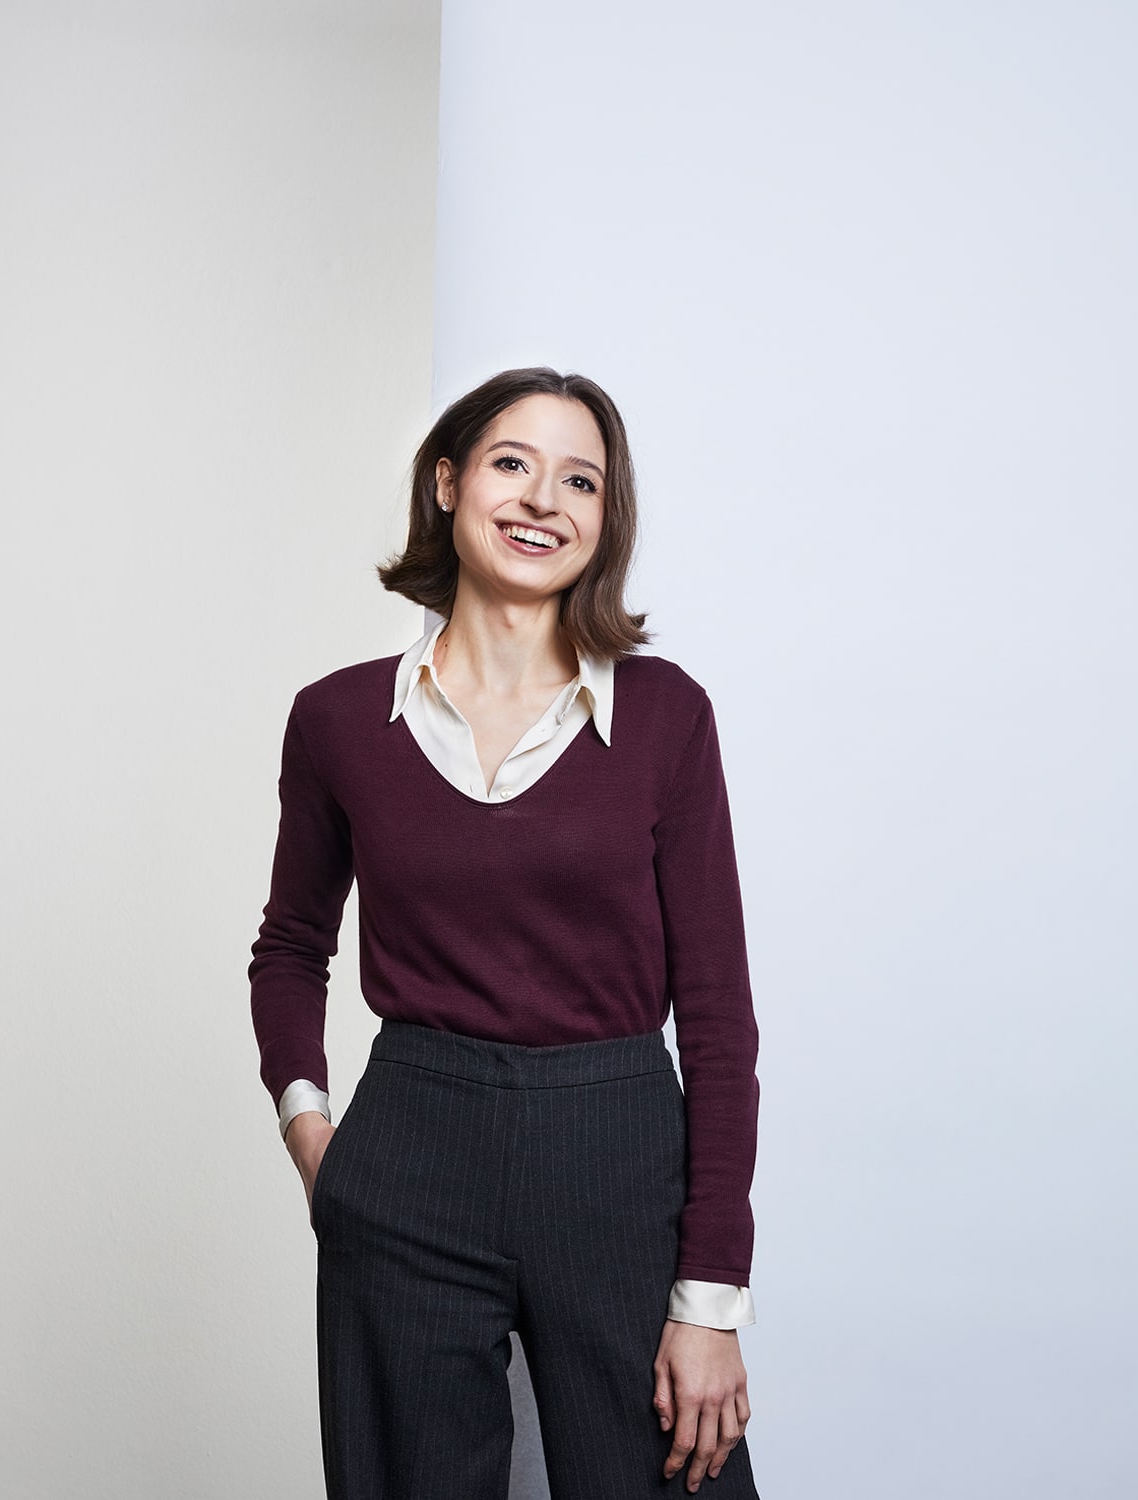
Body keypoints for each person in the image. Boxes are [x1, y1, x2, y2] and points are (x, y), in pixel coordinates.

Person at [248, 367, 762, 1499]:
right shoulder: (338, 720)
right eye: (512, 464)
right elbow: (290, 945)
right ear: (448, 483)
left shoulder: (665, 715)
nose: (542, 501)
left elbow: (719, 1017)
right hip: (412, 1153)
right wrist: (312, 1134)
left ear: (605, 519)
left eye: (580, 481)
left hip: (618, 1156)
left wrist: (713, 1299)